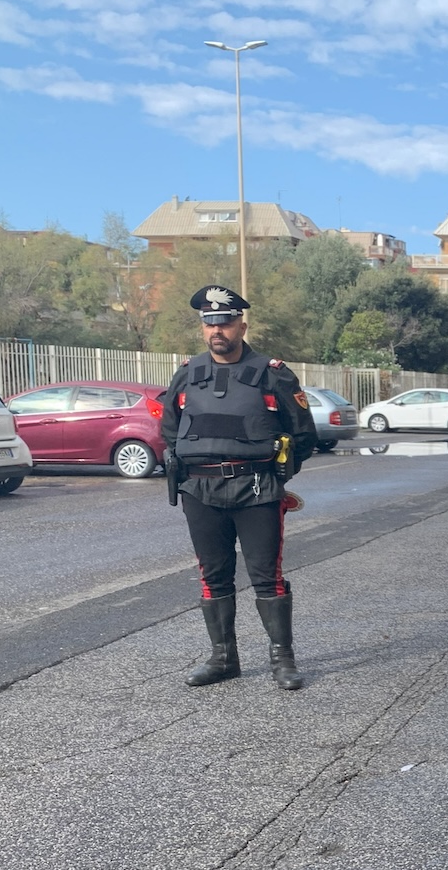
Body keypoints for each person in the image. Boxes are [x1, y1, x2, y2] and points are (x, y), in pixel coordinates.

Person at [162, 285, 318, 691]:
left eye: (226, 322)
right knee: (214, 576)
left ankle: (283, 661)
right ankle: (223, 658)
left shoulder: (273, 372)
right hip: (200, 491)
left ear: (241, 325)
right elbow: (169, 431)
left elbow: (303, 435)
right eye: (210, 322)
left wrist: (277, 479)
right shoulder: (187, 373)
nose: (218, 329)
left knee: (268, 577)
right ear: (202, 328)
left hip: (257, 490)